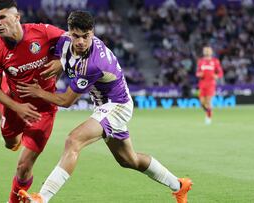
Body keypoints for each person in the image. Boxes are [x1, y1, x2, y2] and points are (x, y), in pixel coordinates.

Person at [16, 10, 192, 203]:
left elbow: (66, 101)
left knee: (73, 140)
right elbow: (62, 55)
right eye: (76, 36)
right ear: (69, 33)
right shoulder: (64, 42)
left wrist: (38, 92)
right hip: (103, 107)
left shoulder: (94, 64)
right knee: (128, 160)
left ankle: (42, 198)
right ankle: (179, 185)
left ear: (93, 32)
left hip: (117, 106)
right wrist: (60, 62)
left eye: (86, 36)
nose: (81, 41)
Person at [0, 1, 65, 202]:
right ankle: (19, 138)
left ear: (17, 17)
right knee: (10, 144)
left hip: (43, 110)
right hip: (15, 106)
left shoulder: (43, 32)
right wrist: (17, 107)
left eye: (2, 17)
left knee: (23, 167)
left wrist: (60, 60)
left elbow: (72, 40)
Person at [196, 46, 224, 125]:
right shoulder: (201, 61)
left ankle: (208, 117)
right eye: (205, 50)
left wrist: (216, 76)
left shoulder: (215, 61)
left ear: (211, 52)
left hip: (211, 84)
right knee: (201, 103)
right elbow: (197, 72)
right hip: (202, 84)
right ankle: (209, 112)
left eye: (208, 50)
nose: (207, 52)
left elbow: (220, 73)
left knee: (208, 102)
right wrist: (199, 75)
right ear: (204, 52)